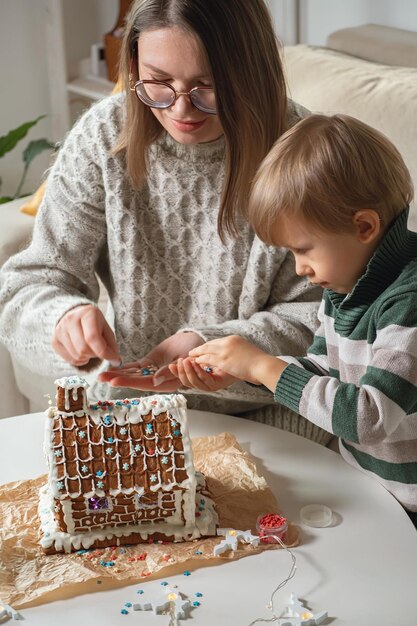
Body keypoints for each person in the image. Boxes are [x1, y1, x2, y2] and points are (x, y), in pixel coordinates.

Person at [0, 0, 325, 441]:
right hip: (133, 414)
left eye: (207, 87)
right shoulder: (102, 137)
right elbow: (26, 287)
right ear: (133, 68)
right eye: (157, 82)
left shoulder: (302, 149)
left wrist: (209, 345)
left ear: (251, 71)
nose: (180, 110)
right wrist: (63, 316)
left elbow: (325, 318)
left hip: (275, 415)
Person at [180, 113, 417, 524]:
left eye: (304, 249)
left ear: (364, 226)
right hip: (369, 486)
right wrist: (249, 372)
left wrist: (264, 365)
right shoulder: (346, 285)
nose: (300, 268)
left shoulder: (408, 304)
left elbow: (367, 418)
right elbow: (325, 371)